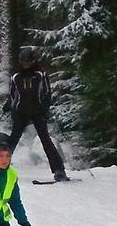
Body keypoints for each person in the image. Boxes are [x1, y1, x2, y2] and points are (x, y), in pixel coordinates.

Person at [5, 47, 69, 182]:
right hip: (20, 111)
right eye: (23, 62)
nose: (25, 65)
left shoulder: (40, 75)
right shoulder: (16, 76)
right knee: (13, 139)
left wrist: (45, 108)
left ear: (33, 61)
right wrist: (8, 105)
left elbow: (47, 93)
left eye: (28, 62)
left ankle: (59, 170)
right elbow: (12, 94)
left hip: (37, 111)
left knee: (45, 140)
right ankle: (0, 167)